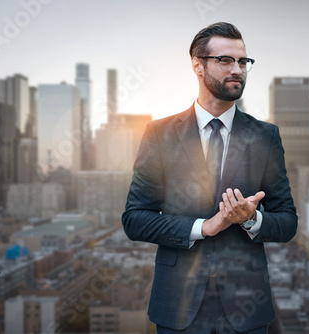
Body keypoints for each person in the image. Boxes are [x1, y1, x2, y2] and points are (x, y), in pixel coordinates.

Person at [122, 22, 297, 334]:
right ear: (197, 65)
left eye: (243, 61)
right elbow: (135, 219)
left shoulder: (266, 136)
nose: (238, 70)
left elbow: (287, 222)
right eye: (225, 60)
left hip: (247, 309)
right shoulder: (160, 134)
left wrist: (251, 219)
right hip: (177, 308)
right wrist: (203, 227)